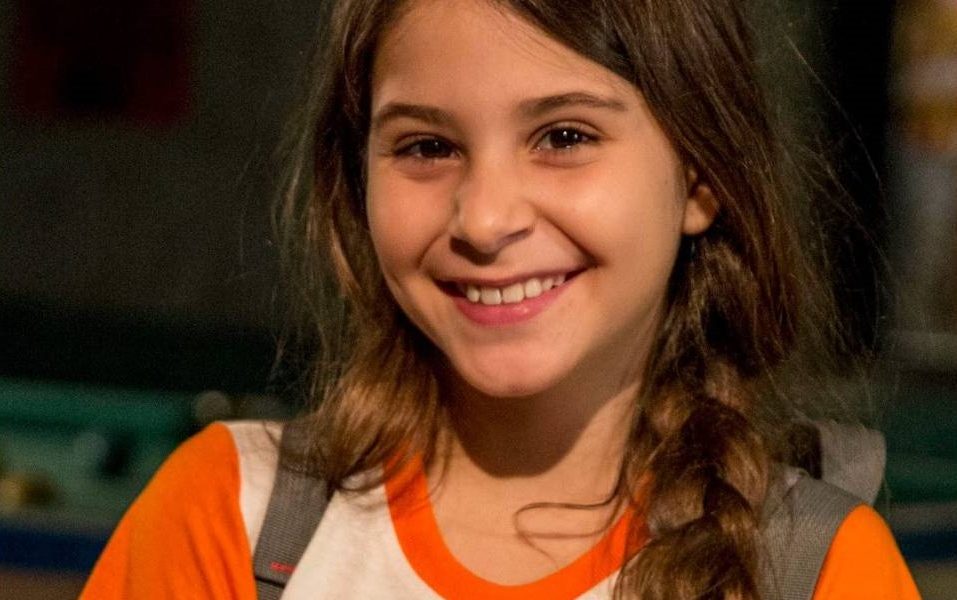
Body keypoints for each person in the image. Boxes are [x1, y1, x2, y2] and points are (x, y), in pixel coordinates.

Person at [81, 0, 922, 598]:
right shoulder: (229, 518)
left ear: (701, 176)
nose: (483, 220)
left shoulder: (819, 571)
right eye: (426, 146)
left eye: (564, 136)